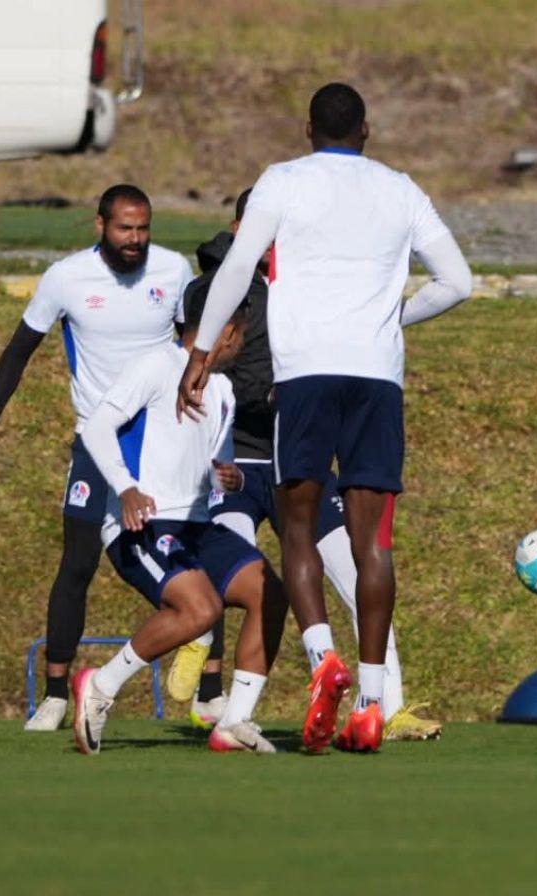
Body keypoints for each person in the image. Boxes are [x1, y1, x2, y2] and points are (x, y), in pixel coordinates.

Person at [179, 82, 472, 753]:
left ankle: (323, 662)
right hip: (377, 377)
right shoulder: (402, 189)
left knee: (298, 527)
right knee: (372, 545)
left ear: (308, 129)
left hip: (306, 374)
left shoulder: (283, 180)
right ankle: (370, 704)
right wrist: (393, 319)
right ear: (366, 131)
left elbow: (237, 269)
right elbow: (458, 281)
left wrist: (199, 352)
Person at [0, 185, 195, 731]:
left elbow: (197, 348)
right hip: (97, 439)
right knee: (78, 562)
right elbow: (18, 351)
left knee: (190, 552)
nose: (135, 239)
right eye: (124, 229)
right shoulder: (65, 278)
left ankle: (209, 691)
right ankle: (55, 696)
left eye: (143, 228)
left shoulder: (174, 270)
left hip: (163, 440)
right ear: (100, 225)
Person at [75, 294, 289, 754]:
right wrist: (126, 489)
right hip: (143, 522)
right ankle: (100, 686)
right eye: (243, 335)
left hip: (198, 525)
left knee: (269, 592)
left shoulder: (223, 390)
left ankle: (234, 722)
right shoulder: (156, 365)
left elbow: (215, 465)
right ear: (226, 331)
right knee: (201, 610)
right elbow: (96, 428)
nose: (243, 345)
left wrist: (228, 477)